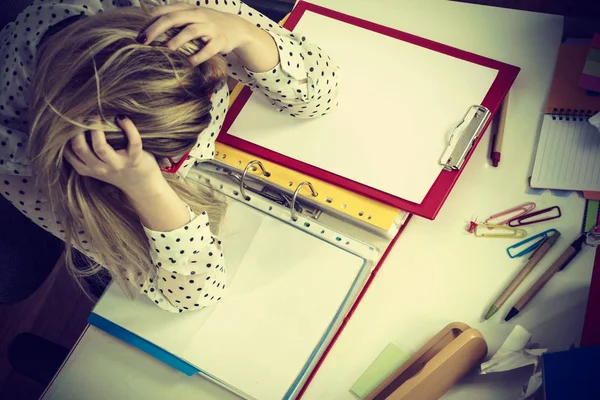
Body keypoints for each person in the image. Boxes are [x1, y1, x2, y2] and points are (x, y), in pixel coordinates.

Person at [0, 0, 339, 313]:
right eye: (172, 161)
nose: (204, 147)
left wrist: (244, 33)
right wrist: (148, 188)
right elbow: (195, 294)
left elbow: (320, 96)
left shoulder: (173, 16)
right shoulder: (22, 159)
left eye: (211, 92)